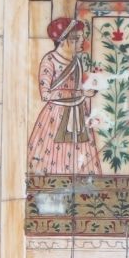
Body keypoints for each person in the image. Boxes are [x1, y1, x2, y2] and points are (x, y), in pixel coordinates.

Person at [28, 17, 100, 175]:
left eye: (81, 38)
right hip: (55, 117)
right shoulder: (49, 60)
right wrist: (80, 92)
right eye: (77, 38)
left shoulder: (76, 61)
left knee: (82, 163)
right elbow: (45, 94)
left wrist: (86, 91)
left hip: (79, 114)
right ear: (65, 41)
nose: (82, 41)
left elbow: (77, 88)